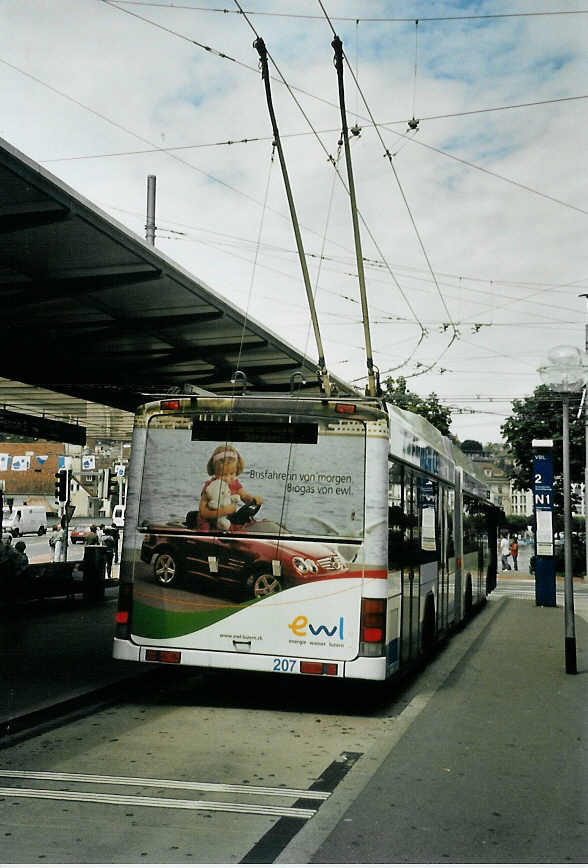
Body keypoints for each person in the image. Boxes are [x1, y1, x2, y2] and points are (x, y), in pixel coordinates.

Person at [197, 445, 263, 531]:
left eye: (232, 473)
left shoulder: (234, 483)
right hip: (209, 522)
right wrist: (224, 511)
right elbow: (203, 512)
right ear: (215, 471)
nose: (228, 478)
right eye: (223, 475)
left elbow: (244, 496)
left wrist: (252, 499)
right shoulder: (210, 486)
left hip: (227, 520)